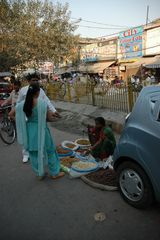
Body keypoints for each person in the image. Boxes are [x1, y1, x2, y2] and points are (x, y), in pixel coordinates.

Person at [16, 83, 64, 180]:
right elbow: (49, 118)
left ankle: (39, 174)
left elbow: (11, 114)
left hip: (30, 131)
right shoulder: (42, 103)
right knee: (50, 151)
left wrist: (23, 122)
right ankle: (54, 173)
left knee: (33, 153)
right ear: (38, 92)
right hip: (42, 130)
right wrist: (56, 118)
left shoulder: (22, 104)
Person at [16, 72, 60, 163]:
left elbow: (46, 101)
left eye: (37, 80)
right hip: (27, 117)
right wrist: (21, 117)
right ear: (29, 81)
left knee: (40, 137)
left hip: (39, 118)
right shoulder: (23, 90)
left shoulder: (40, 90)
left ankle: (40, 153)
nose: (36, 82)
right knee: (27, 137)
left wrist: (54, 111)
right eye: (33, 80)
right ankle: (26, 154)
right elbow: (18, 103)